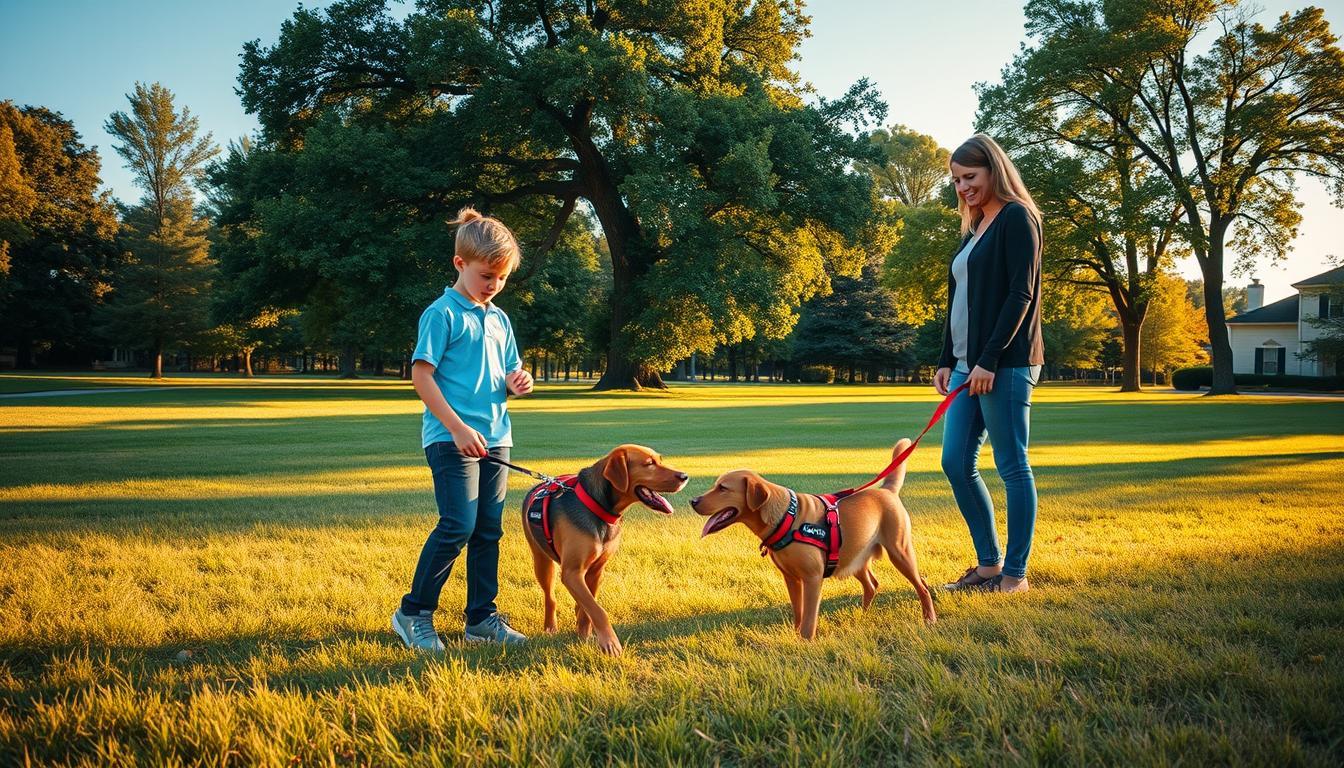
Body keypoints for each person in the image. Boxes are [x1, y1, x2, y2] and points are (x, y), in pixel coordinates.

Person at [392, 206, 535, 651]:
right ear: (460, 263)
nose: (494, 285)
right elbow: (422, 377)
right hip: (450, 438)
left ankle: (481, 620)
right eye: (486, 275)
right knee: (458, 524)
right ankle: (413, 613)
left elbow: (507, 372)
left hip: (496, 437)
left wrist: (518, 382)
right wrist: (456, 428)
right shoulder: (441, 314)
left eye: (502, 278)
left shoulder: (499, 319)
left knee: (488, 529)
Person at [935, 133, 1044, 594]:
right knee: (955, 462)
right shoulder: (975, 227)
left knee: (1012, 466)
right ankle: (987, 565)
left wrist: (989, 360)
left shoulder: (1018, 217)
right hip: (967, 366)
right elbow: (957, 300)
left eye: (970, 177)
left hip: (1007, 364)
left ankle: (1014, 575)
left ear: (994, 171)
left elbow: (1021, 294)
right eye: (956, 180)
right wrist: (947, 358)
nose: (963, 187)